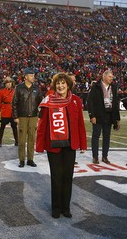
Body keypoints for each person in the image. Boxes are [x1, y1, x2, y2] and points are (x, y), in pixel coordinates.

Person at [36, 72, 87, 219]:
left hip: (70, 145)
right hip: (54, 145)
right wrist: (39, 146)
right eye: (58, 83)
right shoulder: (48, 101)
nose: (60, 86)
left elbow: (80, 124)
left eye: (63, 83)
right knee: (56, 177)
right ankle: (56, 208)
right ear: (54, 85)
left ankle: (66, 207)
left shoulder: (76, 100)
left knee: (68, 177)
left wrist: (83, 144)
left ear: (68, 85)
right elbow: (42, 125)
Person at [86, 70, 120, 164]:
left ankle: (105, 156)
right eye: (109, 77)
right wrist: (92, 115)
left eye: (112, 77)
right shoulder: (96, 86)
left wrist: (117, 119)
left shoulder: (113, 87)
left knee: (107, 137)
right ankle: (95, 157)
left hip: (109, 115)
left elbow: (115, 103)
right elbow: (90, 102)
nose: (111, 78)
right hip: (98, 115)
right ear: (104, 77)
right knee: (96, 136)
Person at [12, 67, 43, 168]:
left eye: (33, 75)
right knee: (21, 140)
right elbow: (14, 103)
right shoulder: (19, 88)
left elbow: (41, 103)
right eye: (31, 75)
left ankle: (30, 159)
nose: (33, 77)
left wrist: (40, 115)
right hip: (22, 117)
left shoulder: (36, 88)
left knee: (31, 139)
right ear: (25, 77)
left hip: (33, 116)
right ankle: (21, 160)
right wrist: (16, 117)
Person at [0, 76, 18, 147]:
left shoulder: (15, 91)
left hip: (12, 111)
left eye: (10, 83)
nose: (9, 84)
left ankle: (17, 141)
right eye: (8, 83)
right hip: (5, 112)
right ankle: (0, 141)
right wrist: (2, 107)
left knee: (14, 127)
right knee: (2, 127)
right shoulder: (2, 91)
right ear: (5, 84)